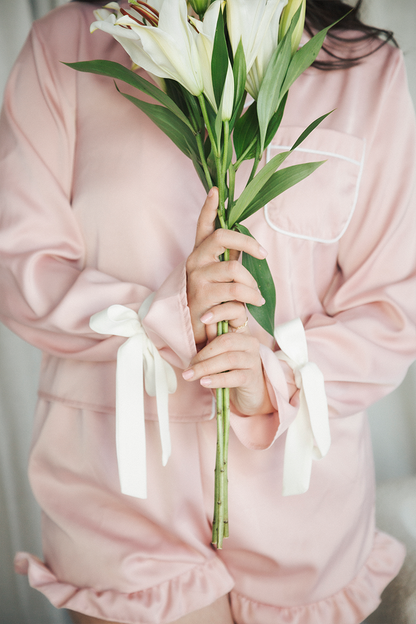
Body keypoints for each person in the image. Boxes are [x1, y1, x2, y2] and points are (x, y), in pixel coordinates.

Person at [0, 1, 415, 623]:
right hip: (122, 496)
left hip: (301, 512)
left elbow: (391, 310)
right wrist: (164, 314)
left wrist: (271, 380)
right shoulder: (64, 47)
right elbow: (19, 266)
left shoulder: (367, 71)